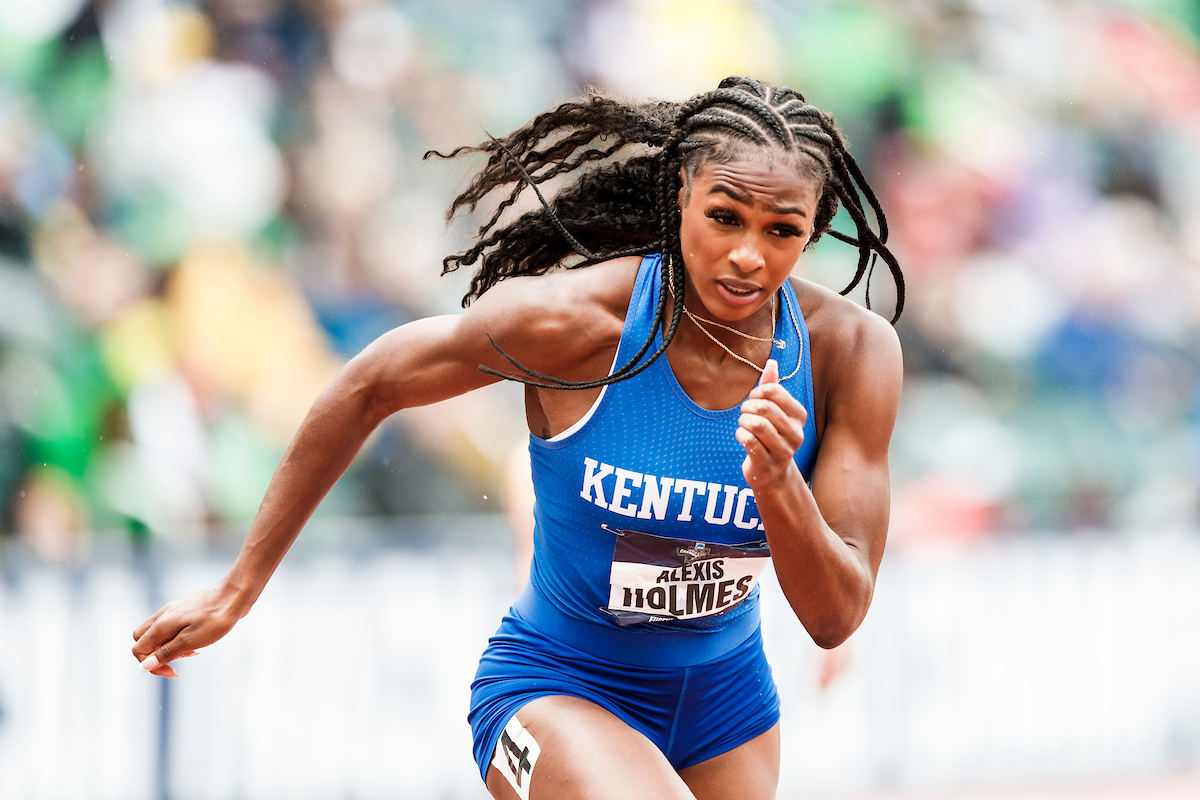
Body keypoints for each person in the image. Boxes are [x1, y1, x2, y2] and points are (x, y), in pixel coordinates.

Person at [132, 76, 904, 800]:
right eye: (724, 217)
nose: (748, 255)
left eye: (783, 231)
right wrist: (239, 589)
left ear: (814, 231)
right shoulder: (573, 323)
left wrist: (778, 483)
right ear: (680, 196)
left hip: (726, 704)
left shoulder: (848, 355)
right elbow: (369, 383)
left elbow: (836, 614)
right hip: (552, 688)